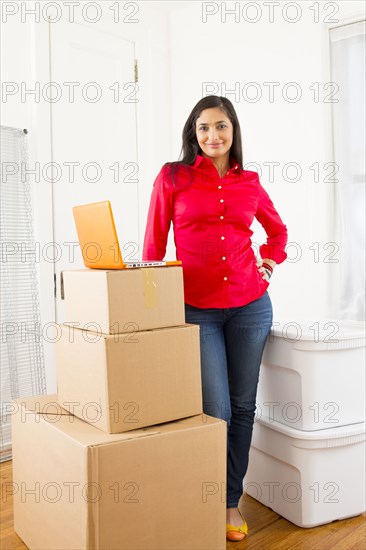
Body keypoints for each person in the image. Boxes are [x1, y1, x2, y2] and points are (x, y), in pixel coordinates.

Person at [142, 95, 288, 542]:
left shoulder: (251, 183)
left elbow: (278, 231)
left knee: (244, 408)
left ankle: (229, 502)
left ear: (233, 130)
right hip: (197, 310)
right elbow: (153, 246)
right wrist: (148, 305)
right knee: (216, 410)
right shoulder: (173, 177)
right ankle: (198, 496)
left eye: (221, 126)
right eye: (203, 128)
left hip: (250, 306)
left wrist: (268, 260)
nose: (213, 136)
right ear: (193, 132)